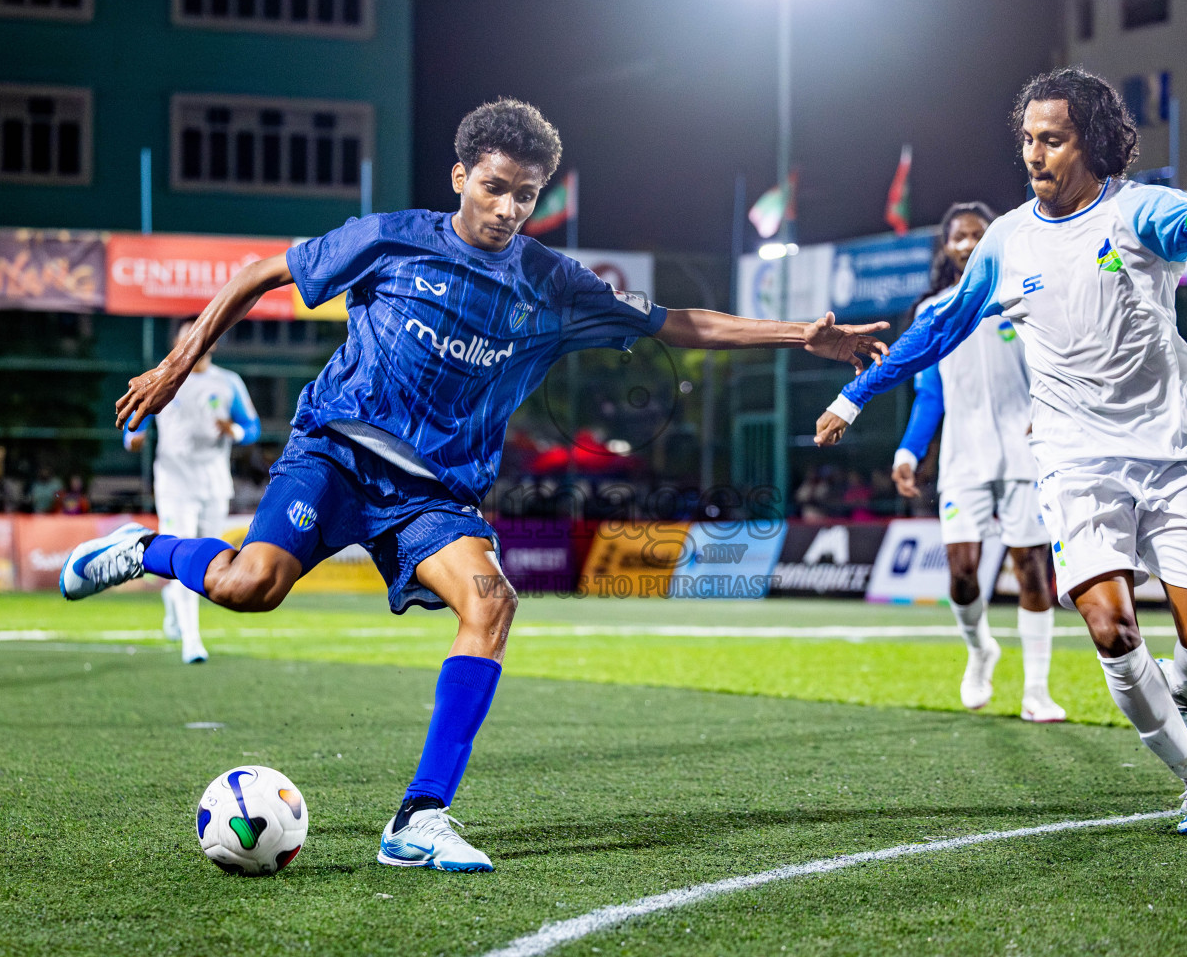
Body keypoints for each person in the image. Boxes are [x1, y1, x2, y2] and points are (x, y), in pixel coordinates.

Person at [59, 98, 888, 873]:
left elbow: (677, 321)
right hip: (338, 451)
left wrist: (800, 336)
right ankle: (145, 549)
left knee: (491, 602)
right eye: (494, 188)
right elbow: (258, 275)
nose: (508, 209)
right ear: (460, 178)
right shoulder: (390, 237)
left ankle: (418, 819)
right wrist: (174, 366)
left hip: (435, 494)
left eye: (526, 196)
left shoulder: (553, 283)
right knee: (249, 587)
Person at [813, 67, 1187, 834]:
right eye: (1026, 139)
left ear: (1091, 141)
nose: (1034, 155)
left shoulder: (1140, 211)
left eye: (1052, 139)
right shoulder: (1008, 241)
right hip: (1073, 459)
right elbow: (938, 330)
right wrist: (854, 397)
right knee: (1113, 631)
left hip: (1171, 453)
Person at [887, 201, 1064, 723]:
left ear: (993, 240)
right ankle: (981, 648)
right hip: (962, 459)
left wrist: (1048, 411)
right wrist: (908, 452)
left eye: (977, 235)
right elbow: (929, 395)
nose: (967, 243)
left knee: (1031, 568)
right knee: (962, 575)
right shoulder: (931, 312)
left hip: (1024, 453)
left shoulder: (1022, 294)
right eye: (959, 236)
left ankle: (1037, 690)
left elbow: (1055, 366)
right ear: (946, 247)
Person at [122, 320, 261, 664]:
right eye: (187, 336)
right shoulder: (162, 378)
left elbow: (253, 427)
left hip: (214, 483)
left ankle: (173, 601)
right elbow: (133, 425)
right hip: (174, 482)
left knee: (206, 558)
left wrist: (236, 432)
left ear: (210, 341)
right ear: (177, 342)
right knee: (186, 551)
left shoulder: (228, 382)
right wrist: (132, 440)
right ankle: (192, 639)